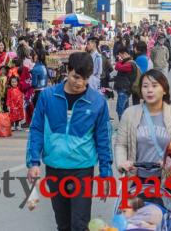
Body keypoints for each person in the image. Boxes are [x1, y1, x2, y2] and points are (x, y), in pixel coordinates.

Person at [26, 52, 113, 231]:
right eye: (76, 77)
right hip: (54, 169)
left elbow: (103, 139)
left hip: (82, 169)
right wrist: (33, 161)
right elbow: (36, 129)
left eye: (85, 79)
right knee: (63, 224)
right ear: (68, 70)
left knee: (80, 224)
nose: (80, 83)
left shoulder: (97, 102)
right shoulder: (48, 96)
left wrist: (106, 174)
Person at [115, 69, 171, 206]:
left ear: (164, 90)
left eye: (154, 86)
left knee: (163, 220)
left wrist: (170, 162)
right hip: (136, 179)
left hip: (166, 180)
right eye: (145, 86)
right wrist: (122, 162)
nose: (149, 90)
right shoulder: (129, 114)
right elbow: (121, 144)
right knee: (136, 221)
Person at [113, 48, 138, 120]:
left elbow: (117, 67)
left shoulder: (130, 64)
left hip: (125, 89)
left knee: (120, 109)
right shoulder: (127, 62)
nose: (119, 57)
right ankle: (126, 125)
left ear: (125, 54)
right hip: (124, 88)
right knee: (125, 108)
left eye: (120, 55)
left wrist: (119, 61)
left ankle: (122, 126)